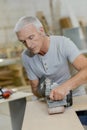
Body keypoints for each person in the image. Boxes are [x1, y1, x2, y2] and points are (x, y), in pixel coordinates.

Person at [14, 16, 87, 101]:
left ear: (41, 30)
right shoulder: (26, 56)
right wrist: (45, 91)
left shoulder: (63, 44)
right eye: (23, 41)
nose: (29, 45)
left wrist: (65, 87)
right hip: (49, 102)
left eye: (31, 37)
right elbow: (35, 89)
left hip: (75, 98)